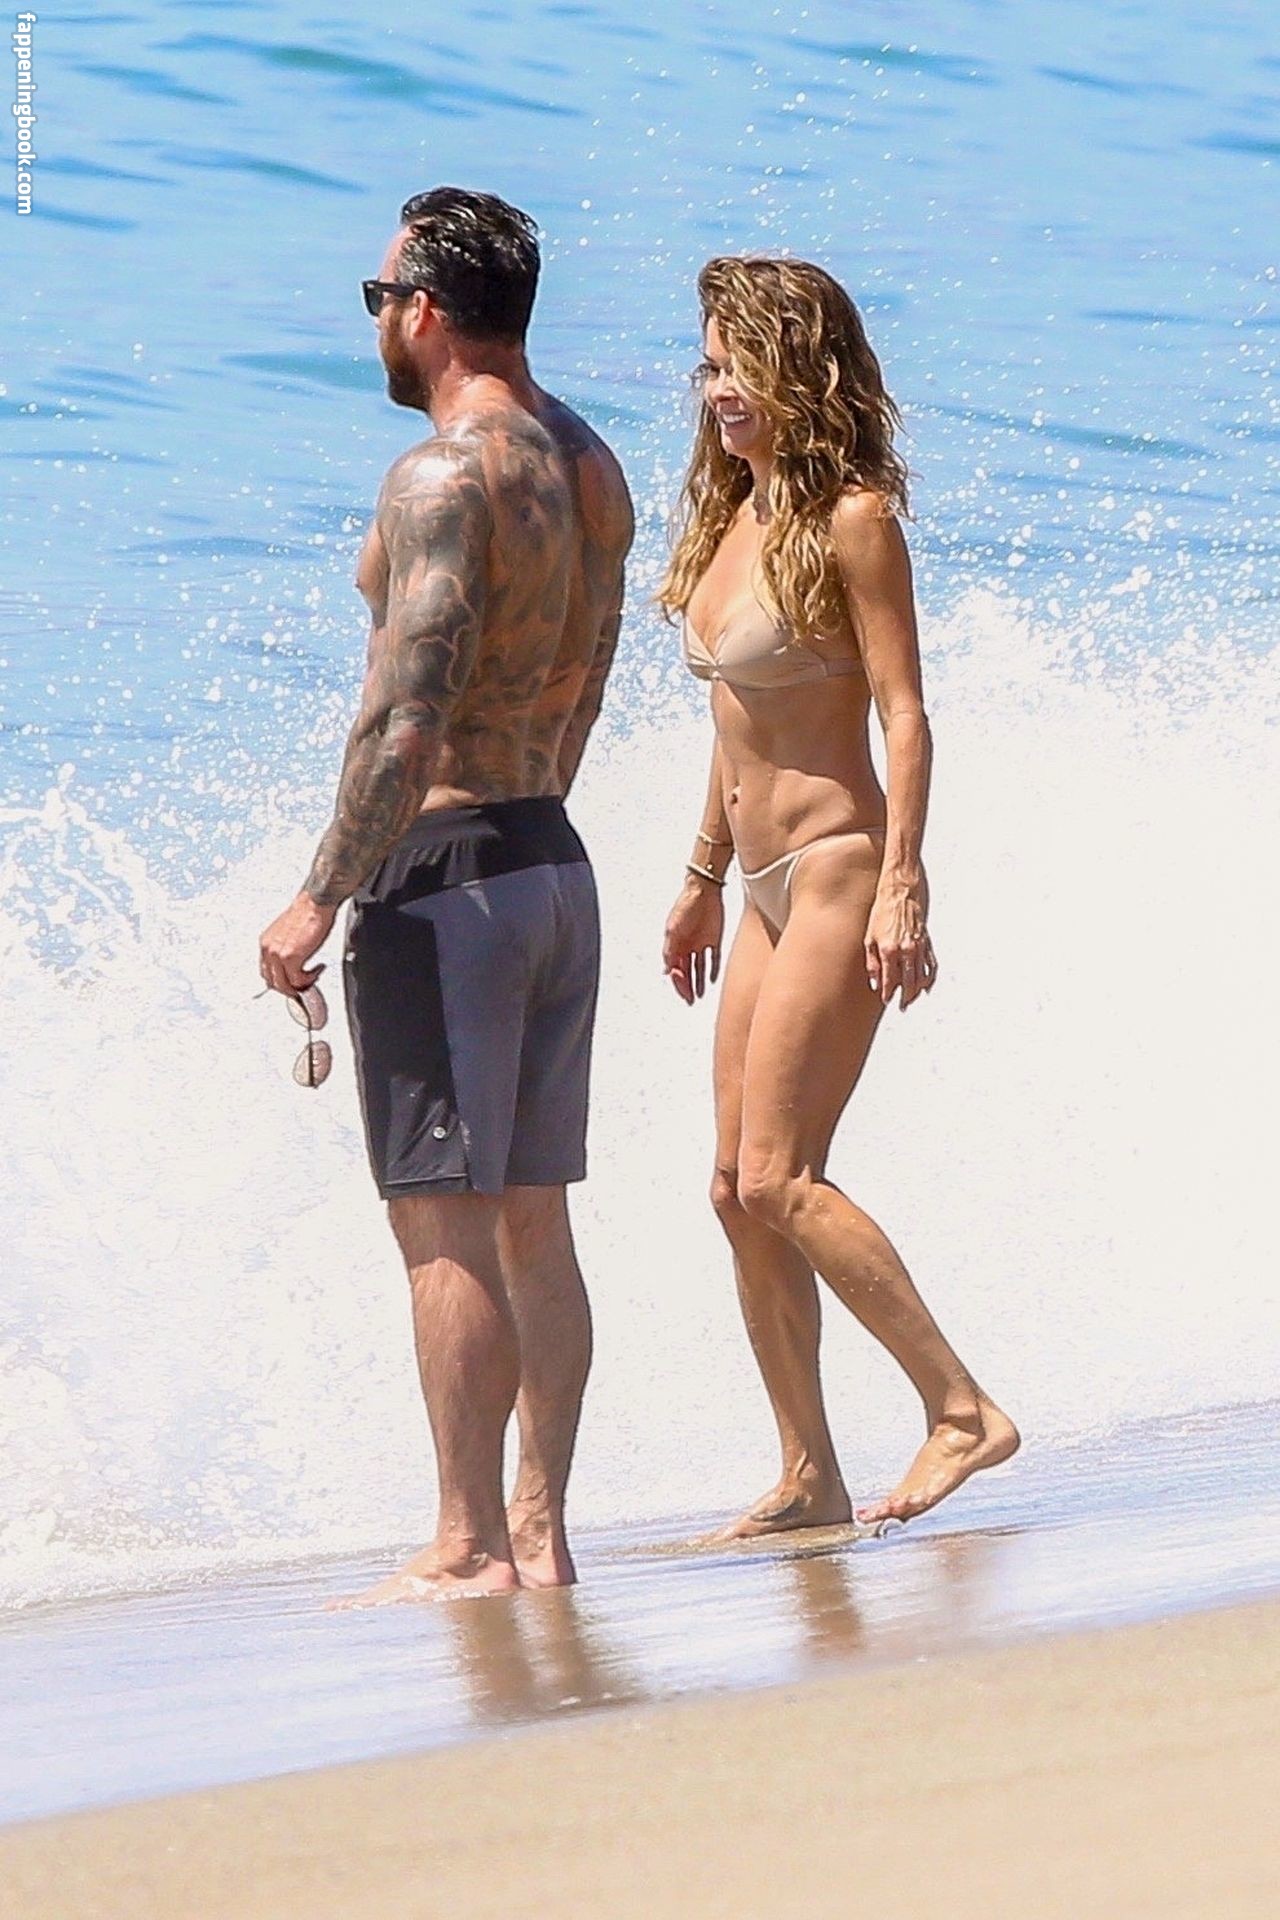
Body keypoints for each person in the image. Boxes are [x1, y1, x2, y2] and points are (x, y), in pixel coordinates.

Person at [259, 187, 634, 1602]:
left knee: (441, 1220)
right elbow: (589, 677)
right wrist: (524, 818)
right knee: (534, 1213)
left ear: (424, 311)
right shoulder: (589, 465)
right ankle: (540, 1533)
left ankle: (466, 1541)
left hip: (447, 882)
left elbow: (404, 715)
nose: (376, 325)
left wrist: (320, 895)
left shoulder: (439, 477)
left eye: (378, 300)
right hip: (550, 860)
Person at [660, 255, 1017, 1539]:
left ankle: (960, 1410)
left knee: (779, 1176)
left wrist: (902, 882)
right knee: (729, 1187)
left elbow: (903, 713)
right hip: (756, 886)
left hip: (836, 868)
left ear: (800, 370)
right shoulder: (728, 512)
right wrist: (700, 876)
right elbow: (732, 721)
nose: (718, 392)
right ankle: (806, 1469)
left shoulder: (852, 520)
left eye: (740, 366)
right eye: (708, 367)